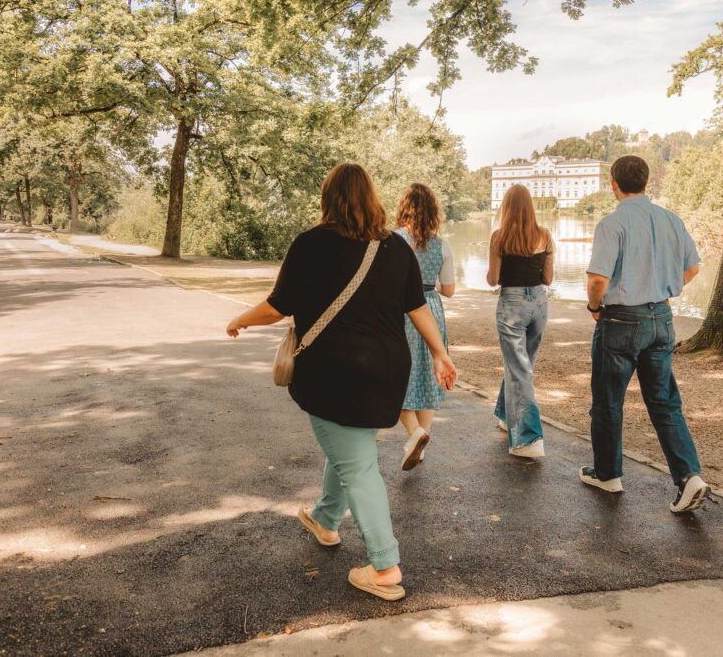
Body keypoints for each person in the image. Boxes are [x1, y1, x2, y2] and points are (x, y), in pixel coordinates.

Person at [226, 163, 457, 601]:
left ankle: (385, 566)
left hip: (335, 372)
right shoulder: (394, 248)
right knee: (351, 443)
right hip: (388, 370)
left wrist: (240, 319)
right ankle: (326, 519)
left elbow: (278, 306)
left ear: (327, 198)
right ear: (371, 197)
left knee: (357, 464)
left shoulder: (311, 244)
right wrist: (441, 353)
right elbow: (418, 307)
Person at [579, 155, 710, 513]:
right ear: (647, 182)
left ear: (613, 184)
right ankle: (689, 477)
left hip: (621, 320)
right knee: (665, 402)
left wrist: (595, 308)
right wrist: (664, 287)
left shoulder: (613, 223)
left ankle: (608, 474)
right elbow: (693, 266)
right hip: (662, 317)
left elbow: (597, 280)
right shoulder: (670, 219)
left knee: (608, 401)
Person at [487, 184, 554, 459]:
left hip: (512, 303)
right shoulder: (545, 235)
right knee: (522, 365)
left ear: (506, 207)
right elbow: (548, 279)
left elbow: (493, 279)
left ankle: (529, 439)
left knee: (519, 369)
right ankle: (506, 414)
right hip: (539, 303)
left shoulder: (499, 237)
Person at [394, 183, 456, 471]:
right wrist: (430, 282)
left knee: (397, 374)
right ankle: (422, 439)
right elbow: (450, 289)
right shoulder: (442, 245)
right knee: (429, 372)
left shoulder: (393, 240)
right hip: (430, 306)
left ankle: (414, 433)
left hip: (400, 309)